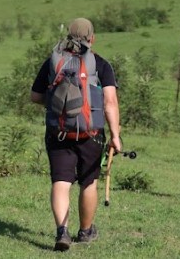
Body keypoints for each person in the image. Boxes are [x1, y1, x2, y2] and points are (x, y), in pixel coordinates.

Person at [31, 18, 122, 252]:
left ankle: (62, 231)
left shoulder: (53, 62)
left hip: (58, 132)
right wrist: (115, 135)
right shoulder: (100, 64)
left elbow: (35, 96)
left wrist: (59, 107)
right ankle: (85, 231)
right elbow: (110, 102)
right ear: (92, 38)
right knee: (88, 182)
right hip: (91, 133)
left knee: (61, 182)